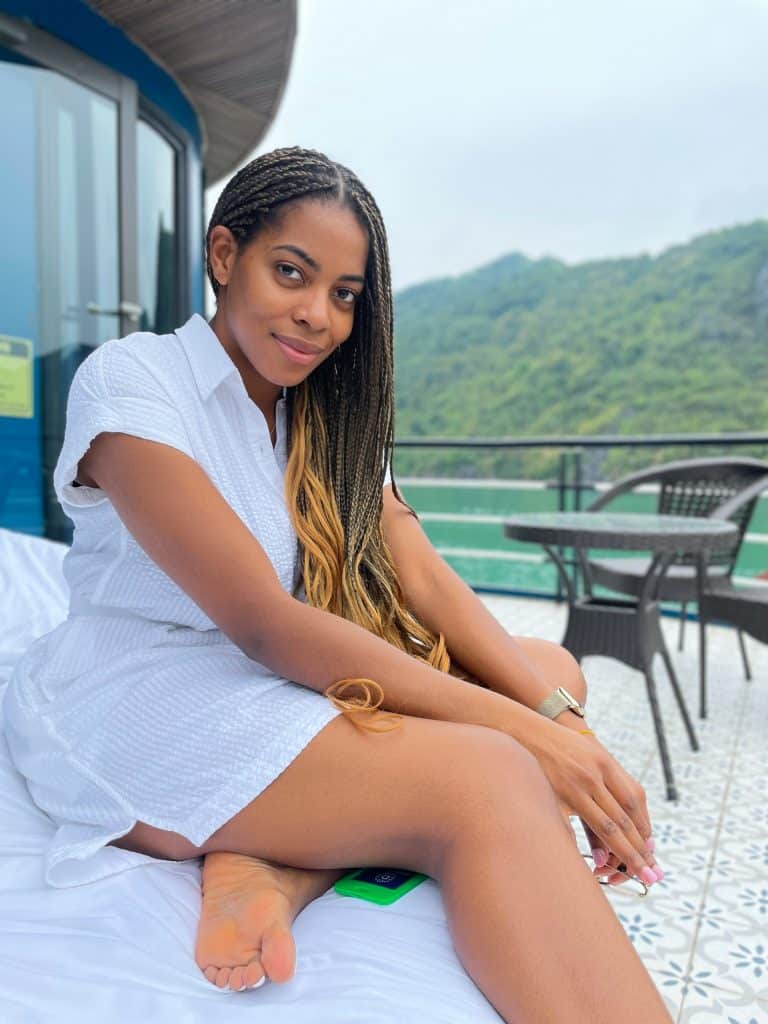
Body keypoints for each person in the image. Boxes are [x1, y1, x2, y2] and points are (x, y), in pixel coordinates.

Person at [2, 146, 671, 1023]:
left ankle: (281, 860)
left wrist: (562, 723)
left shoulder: (322, 412)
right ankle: (277, 848)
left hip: (260, 687)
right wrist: (525, 737)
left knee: (551, 669)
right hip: (143, 699)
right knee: (488, 773)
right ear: (223, 256)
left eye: (345, 295)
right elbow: (267, 625)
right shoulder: (134, 382)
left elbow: (420, 573)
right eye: (292, 273)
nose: (317, 316)